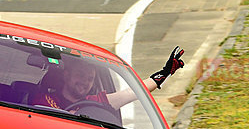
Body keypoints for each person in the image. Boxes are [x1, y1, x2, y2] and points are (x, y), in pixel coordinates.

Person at [32, 47, 185, 112]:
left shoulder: (96, 102)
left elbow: (132, 92)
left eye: (90, 78)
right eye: (80, 75)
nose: (85, 81)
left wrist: (165, 73)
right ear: (67, 75)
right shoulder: (44, 99)